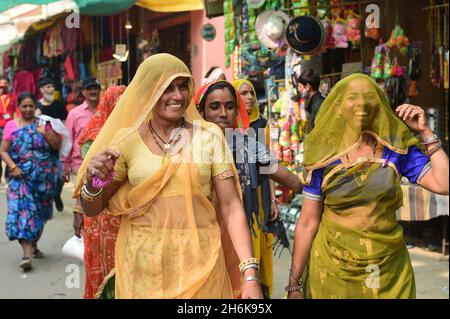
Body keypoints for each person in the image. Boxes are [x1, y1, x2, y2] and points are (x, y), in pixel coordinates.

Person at [74, 53, 263, 299]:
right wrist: (94, 183)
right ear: (149, 92)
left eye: (183, 86)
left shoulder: (209, 137)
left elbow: (231, 206)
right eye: (167, 88)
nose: (178, 96)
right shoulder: (126, 141)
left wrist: (249, 274)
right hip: (142, 268)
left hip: (202, 264)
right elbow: (93, 209)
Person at [287, 73, 449, 299]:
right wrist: (294, 284)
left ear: (379, 104)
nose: (361, 104)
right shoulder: (325, 155)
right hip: (335, 271)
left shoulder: (396, 148)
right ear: (338, 106)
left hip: (390, 271)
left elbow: (444, 183)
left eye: (368, 97)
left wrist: (425, 132)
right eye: (352, 97)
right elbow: (307, 223)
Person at [195, 80, 303, 298]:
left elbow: (292, 181)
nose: (223, 113)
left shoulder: (246, 145)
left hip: (239, 243)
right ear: (201, 111)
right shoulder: (188, 147)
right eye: (214, 107)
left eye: (229, 106)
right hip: (199, 244)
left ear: (237, 110)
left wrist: (321, 182)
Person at [0, 92, 62, 270]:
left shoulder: (44, 123)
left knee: (40, 215)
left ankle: (34, 245)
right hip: (19, 178)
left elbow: (57, 146)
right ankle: (26, 254)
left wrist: (46, 134)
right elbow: (3, 150)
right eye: (24, 106)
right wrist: (13, 167)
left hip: (43, 179)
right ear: (18, 107)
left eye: (30, 106)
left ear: (36, 107)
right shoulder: (11, 125)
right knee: (22, 213)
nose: (27, 109)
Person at [77, 85, 126, 299]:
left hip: (127, 213)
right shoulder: (94, 138)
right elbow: (85, 179)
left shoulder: (139, 132)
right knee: (106, 269)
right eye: (120, 102)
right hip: (100, 216)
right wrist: (78, 210)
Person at [63, 77, 101, 238]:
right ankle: (84, 234)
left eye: (95, 88)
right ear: (83, 92)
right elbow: (67, 140)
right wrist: (65, 165)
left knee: (98, 201)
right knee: (83, 200)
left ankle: (95, 234)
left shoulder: (106, 110)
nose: (93, 91)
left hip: (102, 166)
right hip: (79, 166)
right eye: (89, 88)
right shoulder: (74, 113)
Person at [36, 77, 68, 212]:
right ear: (41, 89)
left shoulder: (59, 105)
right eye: (48, 87)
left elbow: (66, 123)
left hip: (59, 143)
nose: (51, 89)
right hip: (43, 146)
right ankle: (46, 201)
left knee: (61, 174)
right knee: (46, 174)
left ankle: (56, 193)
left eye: (52, 86)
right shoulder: (36, 106)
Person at [0, 76, 17, 184]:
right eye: (1, 84)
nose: (3, 86)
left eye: (5, 84)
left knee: (9, 151)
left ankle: (7, 175)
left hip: (9, 129)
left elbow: (17, 111)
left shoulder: (13, 97)